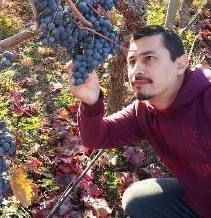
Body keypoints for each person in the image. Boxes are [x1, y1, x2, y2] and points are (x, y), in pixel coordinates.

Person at [65, 25, 211, 218]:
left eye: (149, 58)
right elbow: (97, 137)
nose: (137, 70)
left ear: (180, 64)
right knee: (138, 200)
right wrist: (91, 102)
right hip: (200, 202)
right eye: (132, 61)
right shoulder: (143, 111)